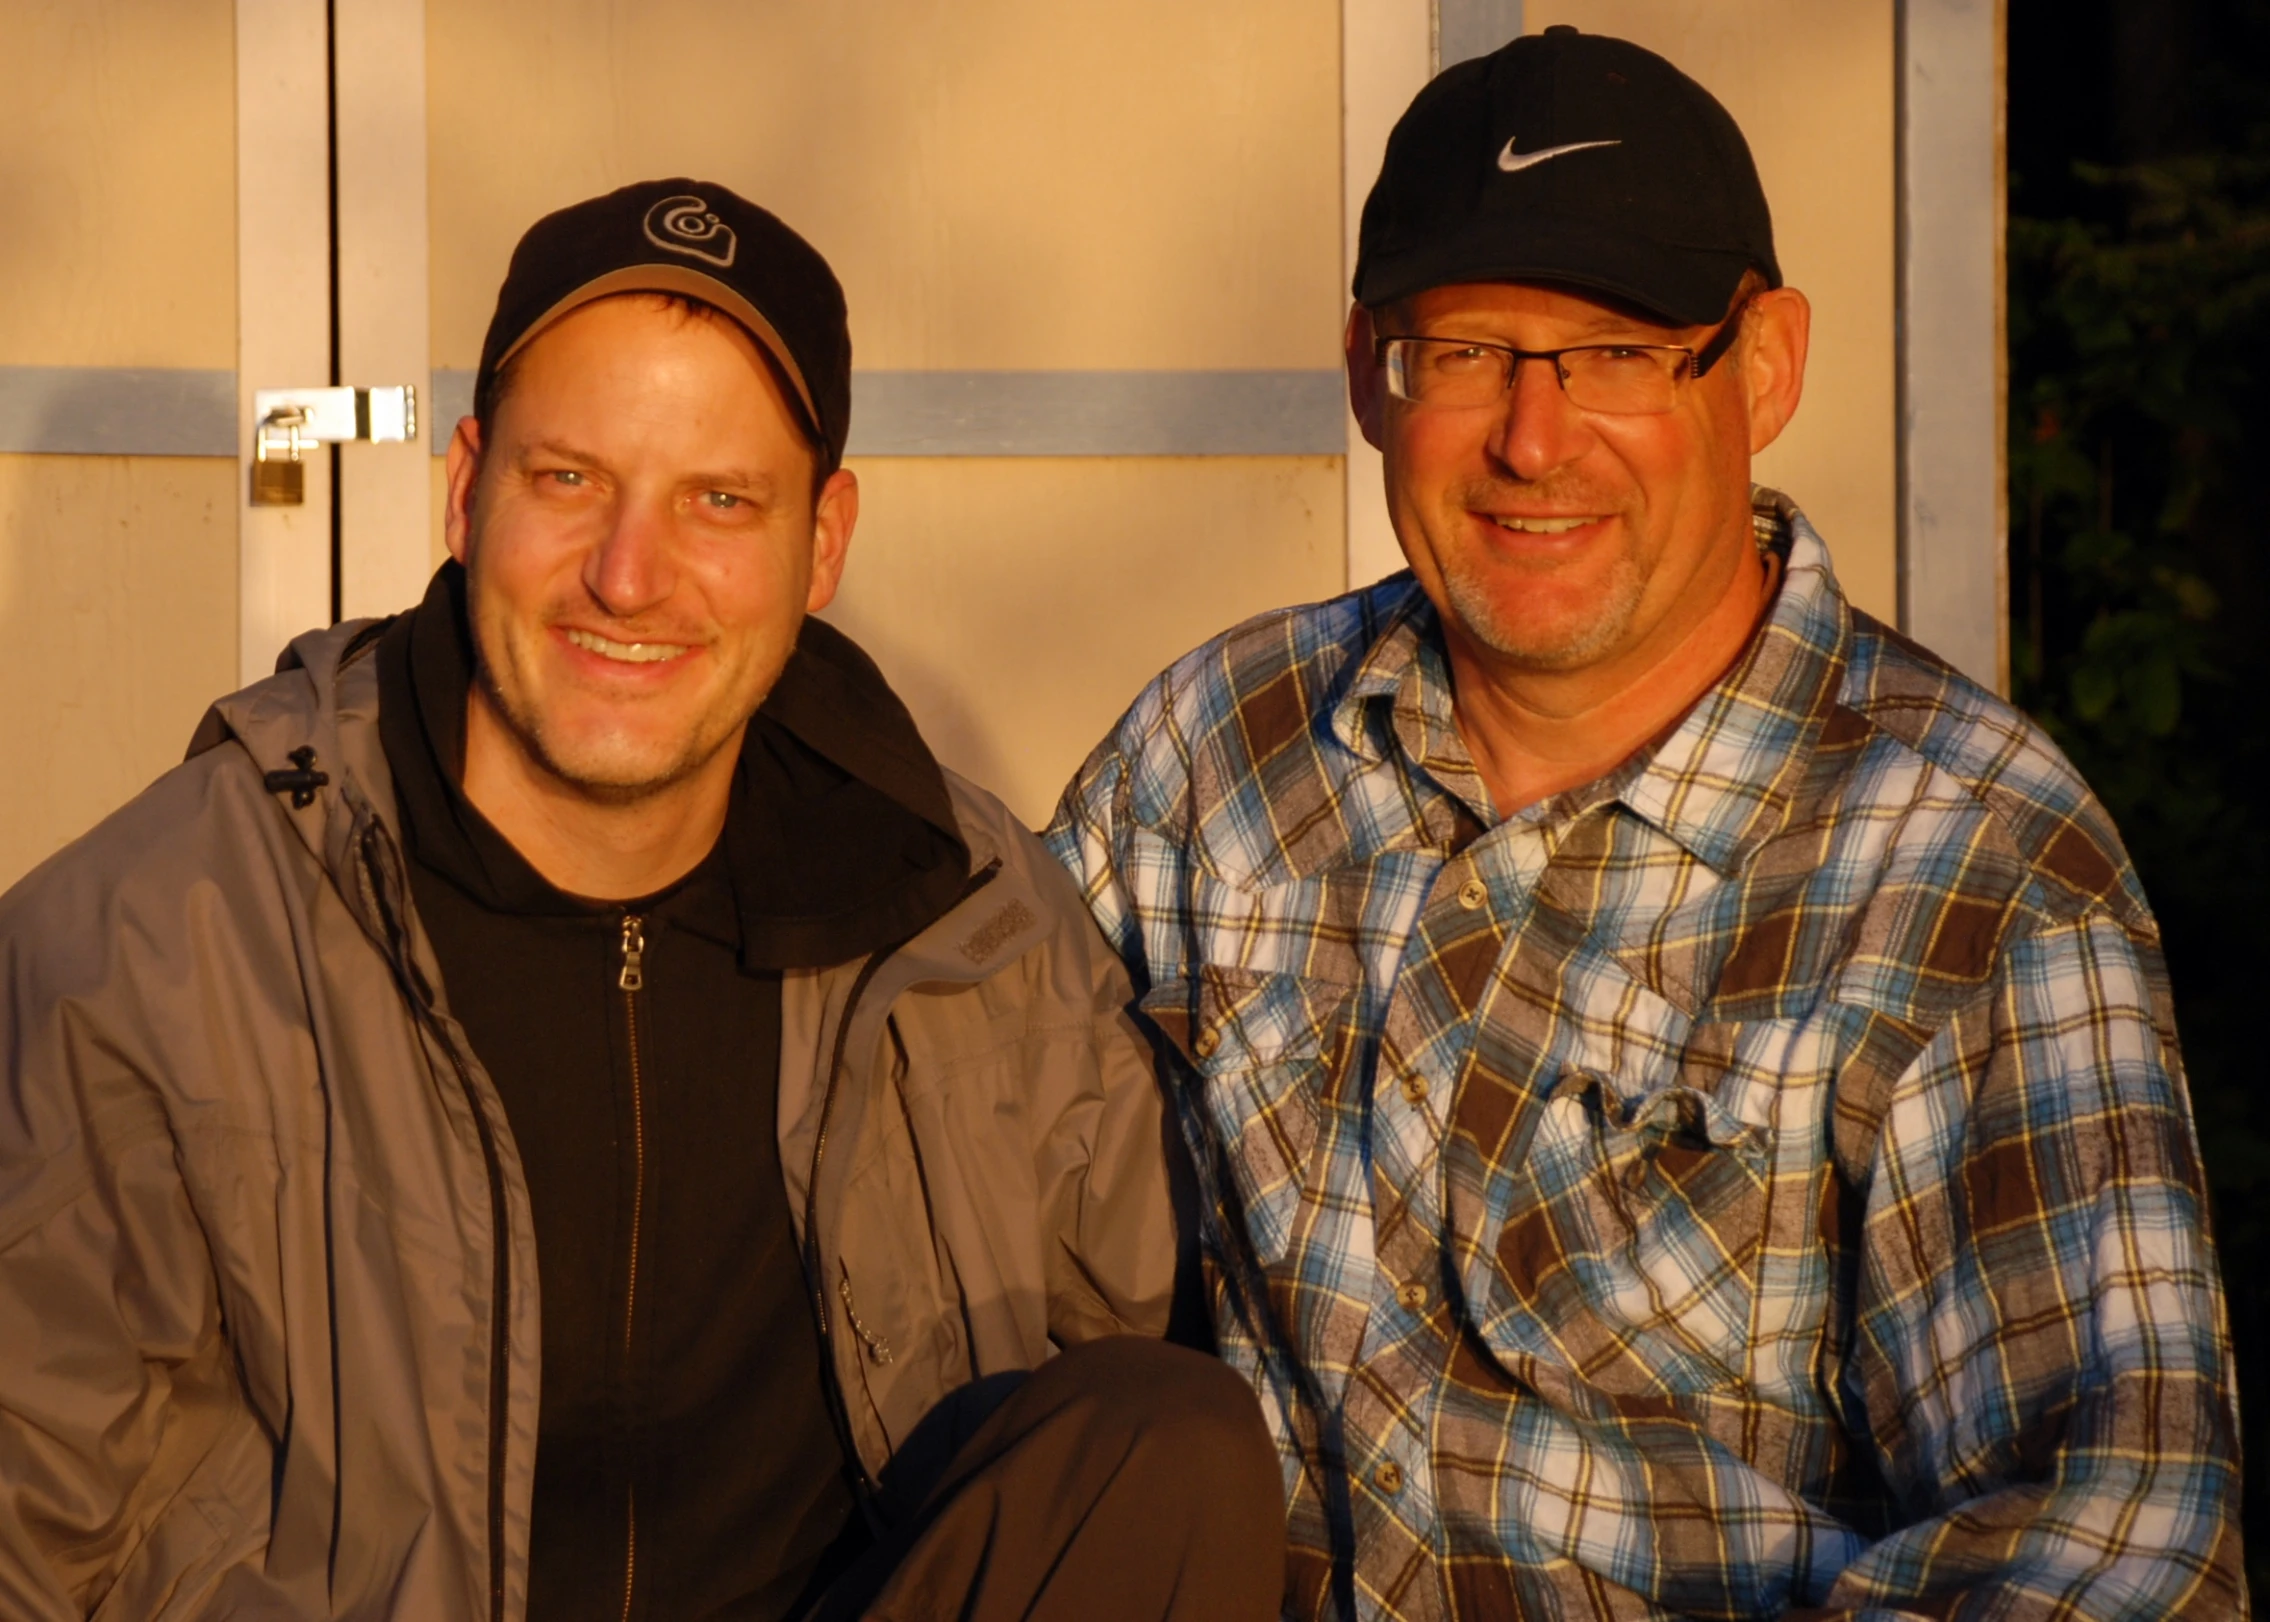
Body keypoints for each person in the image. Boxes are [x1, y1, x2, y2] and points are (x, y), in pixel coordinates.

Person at [1048, 29, 2243, 1620]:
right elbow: (959, 1203)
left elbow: (2111, 1542)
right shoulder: (1214, 757)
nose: (1532, 440)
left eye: (1614, 354)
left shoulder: (1973, 866)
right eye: (1465, 352)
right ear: (1366, 376)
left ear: (1761, 365)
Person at [0, 179, 1283, 1622]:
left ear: (822, 541)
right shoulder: (157, 937)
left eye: (719, 501)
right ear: (465, 482)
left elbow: (1159, 1375)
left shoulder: (963, 923)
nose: (627, 575)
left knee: (1170, 1444)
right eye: (568, 480)